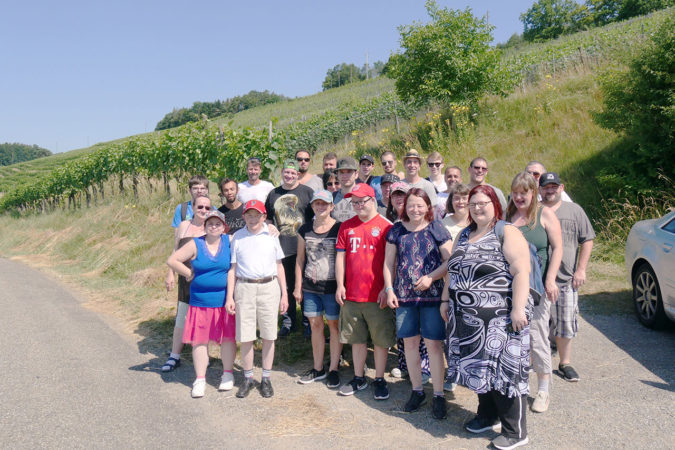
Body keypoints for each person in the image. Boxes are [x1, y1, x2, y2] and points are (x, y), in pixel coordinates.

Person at [442, 184, 533, 450]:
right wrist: (446, 299)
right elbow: (454, 270)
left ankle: (515, 431)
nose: (478, 207)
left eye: (483, 202)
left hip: (501, 320)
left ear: (495, 205)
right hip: (468, 322)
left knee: (504, 372)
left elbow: (521, 272)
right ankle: (487, 415)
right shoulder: (464, 233)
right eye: (473, 203)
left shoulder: (506, 232)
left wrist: (517, 309)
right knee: (480, 369)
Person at [383, 188, 453, 419]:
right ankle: (417, 390)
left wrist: (432, 277)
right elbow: (388, 263)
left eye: (420, 205)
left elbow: (450, 261)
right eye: (411, 205)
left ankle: (439, 394)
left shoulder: (436, 228)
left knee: (433, 345)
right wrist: (390, 288)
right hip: (404, 297)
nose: (415, 209)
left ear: (428, 207)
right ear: (405, 207)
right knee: (410, 345)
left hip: (432, 298)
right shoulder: (396, 230)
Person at [506, 172, 563, 413]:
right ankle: (517, 383)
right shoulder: (507, 216)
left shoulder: (545, 214)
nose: (519, 197)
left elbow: (558, 248)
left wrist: (551, 278)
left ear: (533, 193)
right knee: (514, 337)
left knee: (538, 338)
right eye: (516, 192)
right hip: (510, 288)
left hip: (537, 288)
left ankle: (543, 390)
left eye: (524, 192)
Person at [167, 210, 236, 398]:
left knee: (228, 338)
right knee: (199, 341)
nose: (214, 226)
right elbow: (172, 260)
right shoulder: (195, 243)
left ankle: (228, 374)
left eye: (218, 223)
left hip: (224, 301)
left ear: (224, 226)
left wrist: (270, 228)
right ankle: (200, 379)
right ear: (205, 226)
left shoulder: (230, 241)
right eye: (210, 223)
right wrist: (188, 274)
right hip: (200, 302)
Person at [335, 183, 395, 399]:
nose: (358, 205)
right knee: (356, 339)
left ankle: (379, 379)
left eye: (362, 201)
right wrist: (340, 285)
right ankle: (358, 377)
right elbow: (340, 257)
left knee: (380, 340)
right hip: (351, 294)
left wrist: (386, 289)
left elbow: (392, 262)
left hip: (376, 294)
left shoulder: (386, 226)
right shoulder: (346, 226)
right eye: (355, 202)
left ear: (373, 200)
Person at [226, 200, 288, 398]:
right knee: (246, 336)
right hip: (244, 287)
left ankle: (266, 378)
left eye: (257, 215)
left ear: (264, 217)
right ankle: (248, 377)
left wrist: (284, 294)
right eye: (249, 215)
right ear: (243, 216)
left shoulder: (271, 235)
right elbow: (233, 269)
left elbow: (279, 267)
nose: (253, 219)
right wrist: (230, 296)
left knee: (269, 335)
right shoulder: (237, 237)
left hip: (269, 287)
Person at [539, 172, 594, 383]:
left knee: (565, 323)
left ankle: (565, 363)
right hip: (538, 279)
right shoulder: (534, 212)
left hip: (566, 279)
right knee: (538, 325)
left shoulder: (574, 210)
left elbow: (587, 239)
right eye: (546, 187)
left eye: (554, 186)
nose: (550, 190)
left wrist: (581, 269)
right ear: (540, 190)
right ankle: (539, 362)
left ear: (561, 188)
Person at [384, 180, 432, 384]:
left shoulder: (429, 224)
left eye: (403, 195)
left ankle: (425, 367)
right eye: (396, 195)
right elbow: (389, 261)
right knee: (404, 331)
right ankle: (405, 365)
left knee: (424, 333)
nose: (399, 199)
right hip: (400, 287)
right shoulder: (393, 226)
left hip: (426, 289)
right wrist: (389, 288)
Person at [294, 190, 343, 388]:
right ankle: (318, 368)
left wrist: (342, 286)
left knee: (334, 326)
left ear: (332, 206)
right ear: (312, 206)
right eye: (317, 204)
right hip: (311, 287)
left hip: (332, 287)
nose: (321, 207)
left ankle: (333, 368)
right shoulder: (304, 229)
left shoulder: (339, 228)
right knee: (315, 325)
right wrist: (298, 287)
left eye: (325, 204)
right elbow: (300, 259)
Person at [265, 160, 314, 337]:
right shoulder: (273, 194)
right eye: (286, 172)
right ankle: (288, 321)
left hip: (304, 247)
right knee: (285, 285)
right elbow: (268, 218)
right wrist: (269, 226)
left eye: (293, 173)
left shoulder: (307, 192)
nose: (289, 176)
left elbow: (316, 217)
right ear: (282, 173)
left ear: (298, 175)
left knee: (306, 286)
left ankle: (308, 321)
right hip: (281, 248)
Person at [163, 194, 211, 373]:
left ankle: (203, 356)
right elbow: (175, 251)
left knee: (203, 320)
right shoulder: (184, 226)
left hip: (204, 281)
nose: (203, 211)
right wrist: (171, 274)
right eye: (200, 207)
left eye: (207, 208)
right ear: (193, 208)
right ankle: (174, 356)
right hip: (186, 279)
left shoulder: (213, 227)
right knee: (181, 318)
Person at [332, 156, 359, 222]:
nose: (345, 175)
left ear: (356, 174)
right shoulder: (331, 198)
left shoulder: (365, 198)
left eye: (349, 171)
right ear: (337, 175)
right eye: (341, 172)